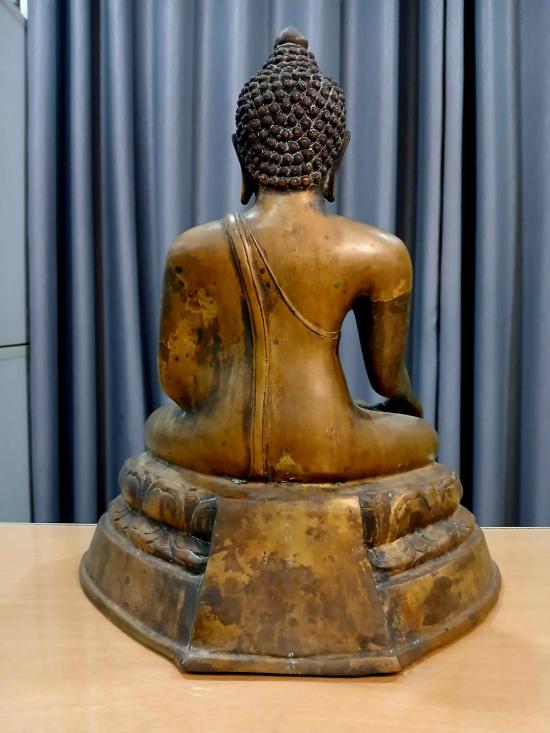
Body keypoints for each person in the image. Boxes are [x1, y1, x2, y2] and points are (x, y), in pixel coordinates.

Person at [145, 27, 438, 482]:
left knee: (156, 426)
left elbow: (177, 381)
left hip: (219, 442)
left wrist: (229, 406)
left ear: (241, 154)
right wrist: (405, 406)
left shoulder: (192, 249)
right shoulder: (379, 251)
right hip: (328, 440)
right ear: (337, 154)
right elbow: (387, 379)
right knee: (422, 435)